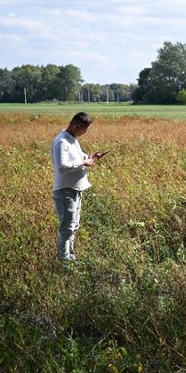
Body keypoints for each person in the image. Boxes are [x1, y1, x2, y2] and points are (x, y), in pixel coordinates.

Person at [50, 112, 106, 261]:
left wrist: (90, 158)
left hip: (75, 190)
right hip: (65, 191)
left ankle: (71, 258)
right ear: (76, 126)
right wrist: (84, 163)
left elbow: (80, 157)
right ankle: (64, 263)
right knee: (67, 229)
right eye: (84, 129)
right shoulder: (62, 142)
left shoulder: (72, 140)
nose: (85, 132)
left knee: (73, 227)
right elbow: (62, 167)